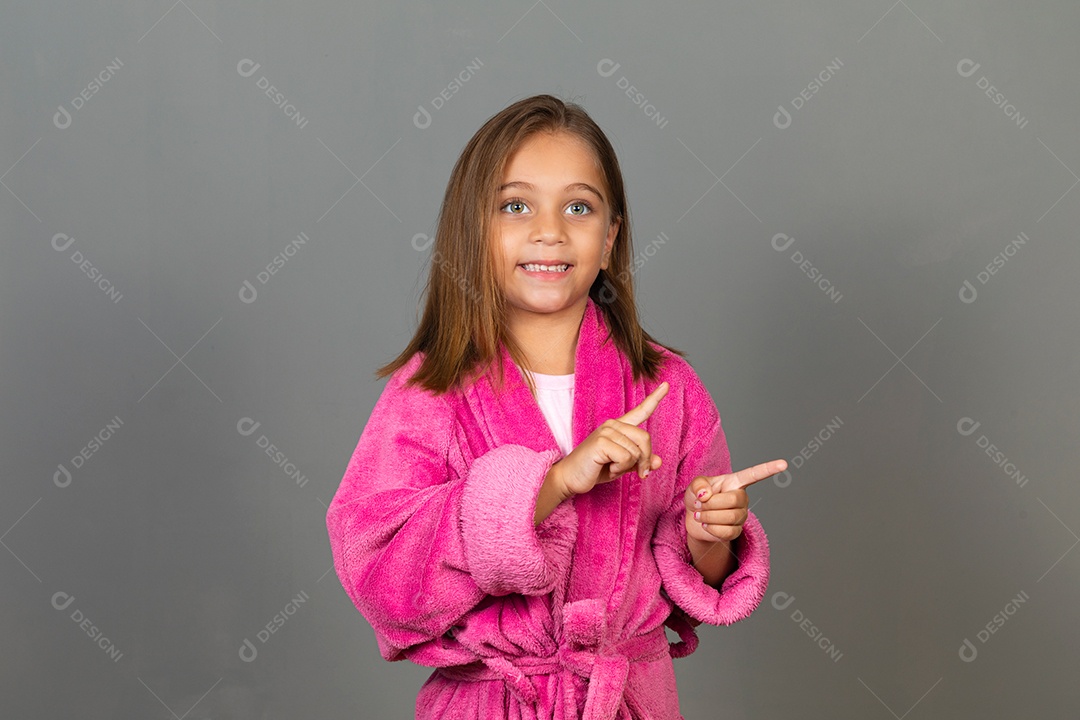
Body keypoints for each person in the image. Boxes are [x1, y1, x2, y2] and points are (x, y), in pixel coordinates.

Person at [326, 93, 787, 719]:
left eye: (579, 207)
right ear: (474, 230)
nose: (550, 230)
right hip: (492, 703)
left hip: (626, 703)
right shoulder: (430, 390)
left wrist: (709, 536)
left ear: (610, 237)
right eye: (516, 206)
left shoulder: (666, 388)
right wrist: (553, 482)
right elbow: (381, 573)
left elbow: (693, 578)